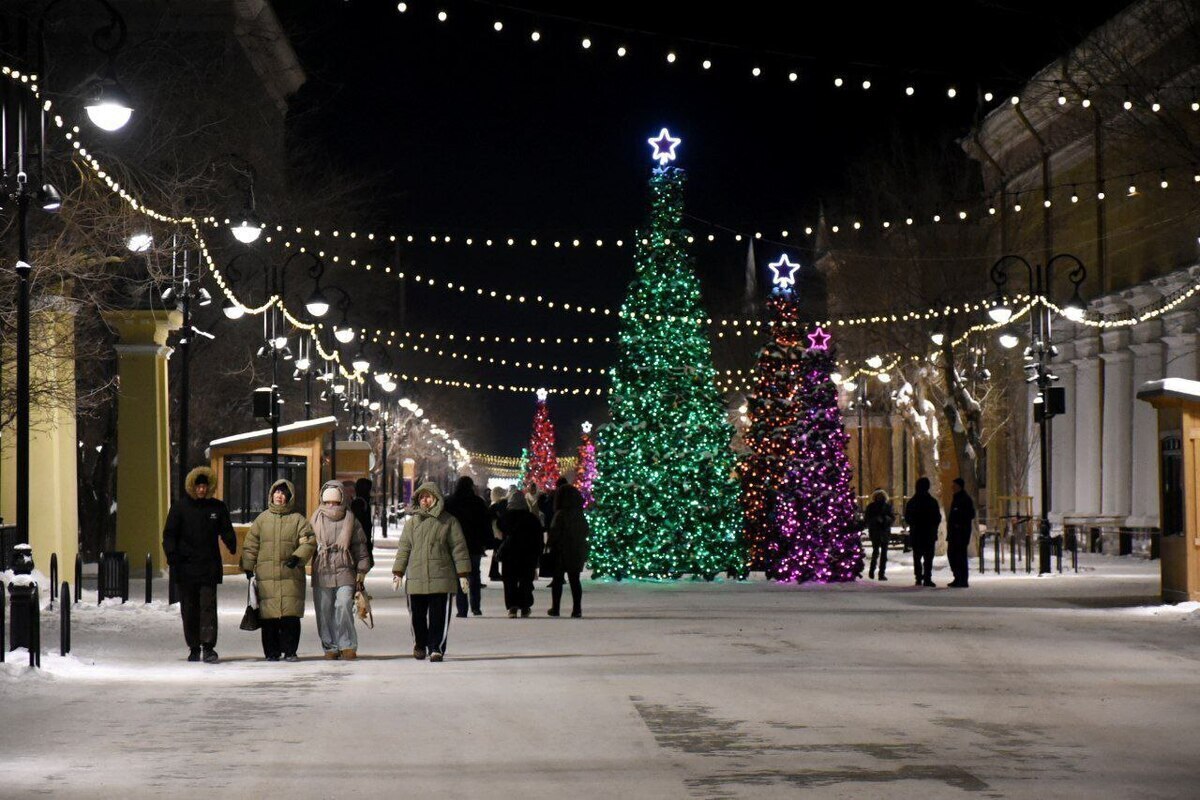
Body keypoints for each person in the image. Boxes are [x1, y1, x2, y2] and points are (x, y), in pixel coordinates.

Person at [162, 466, 237, 663]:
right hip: (185, 567)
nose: (201, 490)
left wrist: (231, 543)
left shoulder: (217, 508)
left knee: (208, 607)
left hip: (208, 566)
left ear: (209, 487)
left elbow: (226, 529)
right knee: (189, 608)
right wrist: (172, 556)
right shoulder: (180, 508)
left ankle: (208, 646)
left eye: (204, 486)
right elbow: (169, 534)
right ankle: (194, 646)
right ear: (192, 487)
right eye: (198, 486)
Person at [392, 482, 471, 662]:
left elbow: (458, 548)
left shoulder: (449, 521)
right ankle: (420, 644)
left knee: (439, 616)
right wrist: (398, 572)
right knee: (417, 617)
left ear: (436, 499)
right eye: (421, 497)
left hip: (441, 577)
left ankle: (436, 647)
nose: (424, 500)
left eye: (428, 497)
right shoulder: (412, 523)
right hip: (416, 577)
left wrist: (463, 574)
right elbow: (404, 549)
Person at [241, 479, 315, 661]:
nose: (279, 496)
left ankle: (290, 651)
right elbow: (251, 545)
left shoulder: (298, 520)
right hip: (266, 577)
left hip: (291, 575)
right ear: (271, 495)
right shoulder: (262, 520)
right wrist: (248, 567)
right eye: (277, 492)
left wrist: (297, 557)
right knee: (269, 617)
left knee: (290, 616)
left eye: (283, 493)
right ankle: (271, 652)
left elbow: (309, 541)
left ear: (289, 497)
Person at [310, 480, 372, 659]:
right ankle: (330, 646)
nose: (331, 505)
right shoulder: (315, 519)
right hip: (322, 569)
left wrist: (362, 570)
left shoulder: (351, 520)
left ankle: (347, 644)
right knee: (324, 610)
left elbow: (360, 547)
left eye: (335, 502)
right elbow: (307, 544)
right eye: (327, 501)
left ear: (342, 500)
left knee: (344, 605)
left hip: (345, 568)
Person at [444, 475, 492, 617]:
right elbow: (485, 523)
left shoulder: (449, 502)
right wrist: (487, 541)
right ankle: (475, 606)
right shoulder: (478, 502)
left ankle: (462, 608)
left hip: (455, 544)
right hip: (474, 544)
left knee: (460, 575)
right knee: (475, 575)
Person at [546, 483, 590, 618]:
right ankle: (577, 609)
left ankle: (556, 608)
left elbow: (554, 532)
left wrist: (550, 544)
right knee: (575, 580)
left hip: (560, 550)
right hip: (576, 550)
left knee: (557, 580)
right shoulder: (579, 514)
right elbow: (586, 531)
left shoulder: (560, 514)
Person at [498, 489, 543, 618]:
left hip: (509, 554)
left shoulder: (504, 518)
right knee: (526, 580)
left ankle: (512, 607)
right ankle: (525, 606)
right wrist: (538, 553)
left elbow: (500, 535)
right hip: (528, 554)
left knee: (509, 581)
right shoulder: (532, 518)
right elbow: (538, 537)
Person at [904, 477, 942, 588]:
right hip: (929, 533)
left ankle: (918, 577)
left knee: (917, 557)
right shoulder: (932, 502)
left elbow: (908, 518)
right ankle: (927, 578)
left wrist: (915, 523)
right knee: (928, 557)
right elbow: (937, 517)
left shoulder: (912, 502)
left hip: (917, 533)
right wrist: (932, 526)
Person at [947, 477, 976, 588]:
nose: (952, 487)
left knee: (960, 557)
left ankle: (962, 579)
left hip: (960, 533)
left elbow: (970, 514)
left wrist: (959, 524)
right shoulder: (956, 498)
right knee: (952, 555)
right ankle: (957, 577)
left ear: (959, 486)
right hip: (954, 533)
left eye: (954, 485)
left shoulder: (965, 499)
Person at [864, 489, 895, 582]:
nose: (880, 498)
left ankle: (881, 573)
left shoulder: (888, 506)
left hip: (884, 532)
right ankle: (872, 570)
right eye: (878, 496)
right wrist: (876, 520)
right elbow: (867, 519)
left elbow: (892, 518)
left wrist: (885, 519)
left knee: (883, 554)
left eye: (881, 496)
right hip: (875, 532)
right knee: (875, 552)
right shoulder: (871, 507)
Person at [350, 477, 375, 568]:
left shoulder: (361, 502)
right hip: (361, 540)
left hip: (363, 539)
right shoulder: (360, 503)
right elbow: (358, 523)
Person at [487, 486, 508, 582]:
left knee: (496, 552)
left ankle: (494, 572)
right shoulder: (502, 504)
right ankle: (496, 573)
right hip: (500, 532)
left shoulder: (493, 505)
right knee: (502, 552)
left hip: (494, 532)